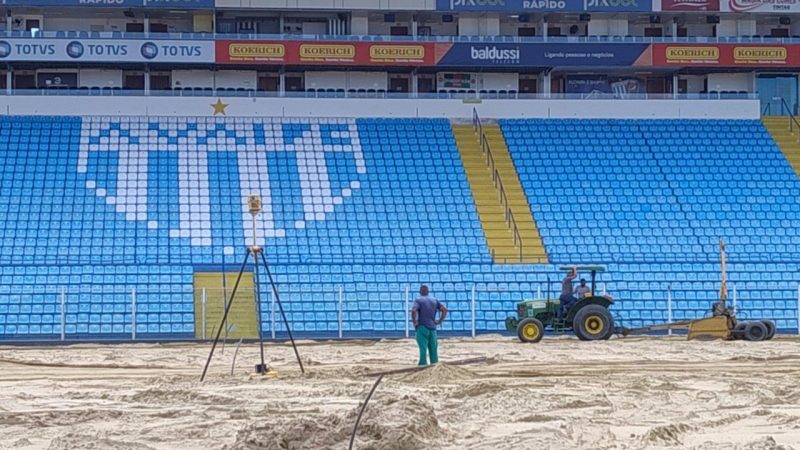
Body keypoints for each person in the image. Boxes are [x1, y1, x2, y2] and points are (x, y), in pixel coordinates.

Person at [411, 285, 447, 366]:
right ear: (428, 292)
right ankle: (435, 367)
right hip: (433, 328)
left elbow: (413, 310)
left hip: (422, 327)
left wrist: (414, 323)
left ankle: (423, 366)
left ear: (420, 292)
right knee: (433, 350)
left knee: (423, 350)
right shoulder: (434, 300)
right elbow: (445, 310)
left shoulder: (418, 300)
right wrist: (440, 321)